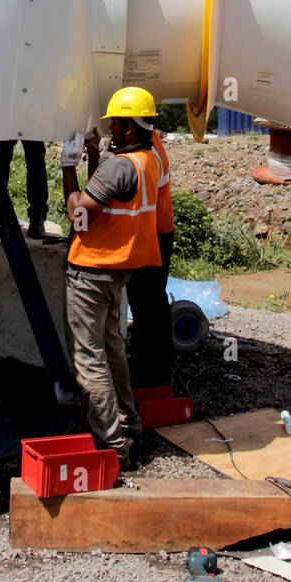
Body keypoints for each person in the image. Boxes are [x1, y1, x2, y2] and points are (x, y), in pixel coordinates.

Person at [61, 87, 162, 469]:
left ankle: (111, 446)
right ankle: (130, 426)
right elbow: (105, 197)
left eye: (114, 124)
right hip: (118, 270)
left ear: (128, 126)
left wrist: (67, 167)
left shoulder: (120, 166)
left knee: (90, 358)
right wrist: (91, 156)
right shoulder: (147, 159)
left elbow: (81, 214)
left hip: (92, 270)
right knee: (113, 347)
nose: (110, 130)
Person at [126, 125, 174, 387]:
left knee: (147, 305)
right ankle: (154, 370)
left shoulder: (147, 155)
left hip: (153, 233)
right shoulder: (150, 143)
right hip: (158, 230)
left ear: (130, 128)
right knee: (151, 304)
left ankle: (151, 376)